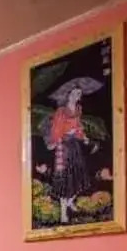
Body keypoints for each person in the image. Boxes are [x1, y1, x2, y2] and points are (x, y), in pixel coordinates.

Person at [44, 84, 99, 223]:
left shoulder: (78, 109)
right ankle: (63, 213)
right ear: (68, 95)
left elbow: (78, 127)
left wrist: (83, 137)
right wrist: (66, 134)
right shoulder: (62, 111)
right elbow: (56, 130)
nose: (76, 96)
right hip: (64, 147)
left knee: (78, 175)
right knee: (65, 179)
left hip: (75, 146)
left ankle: (70, 201)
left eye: (79, 94)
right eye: (74, 93)